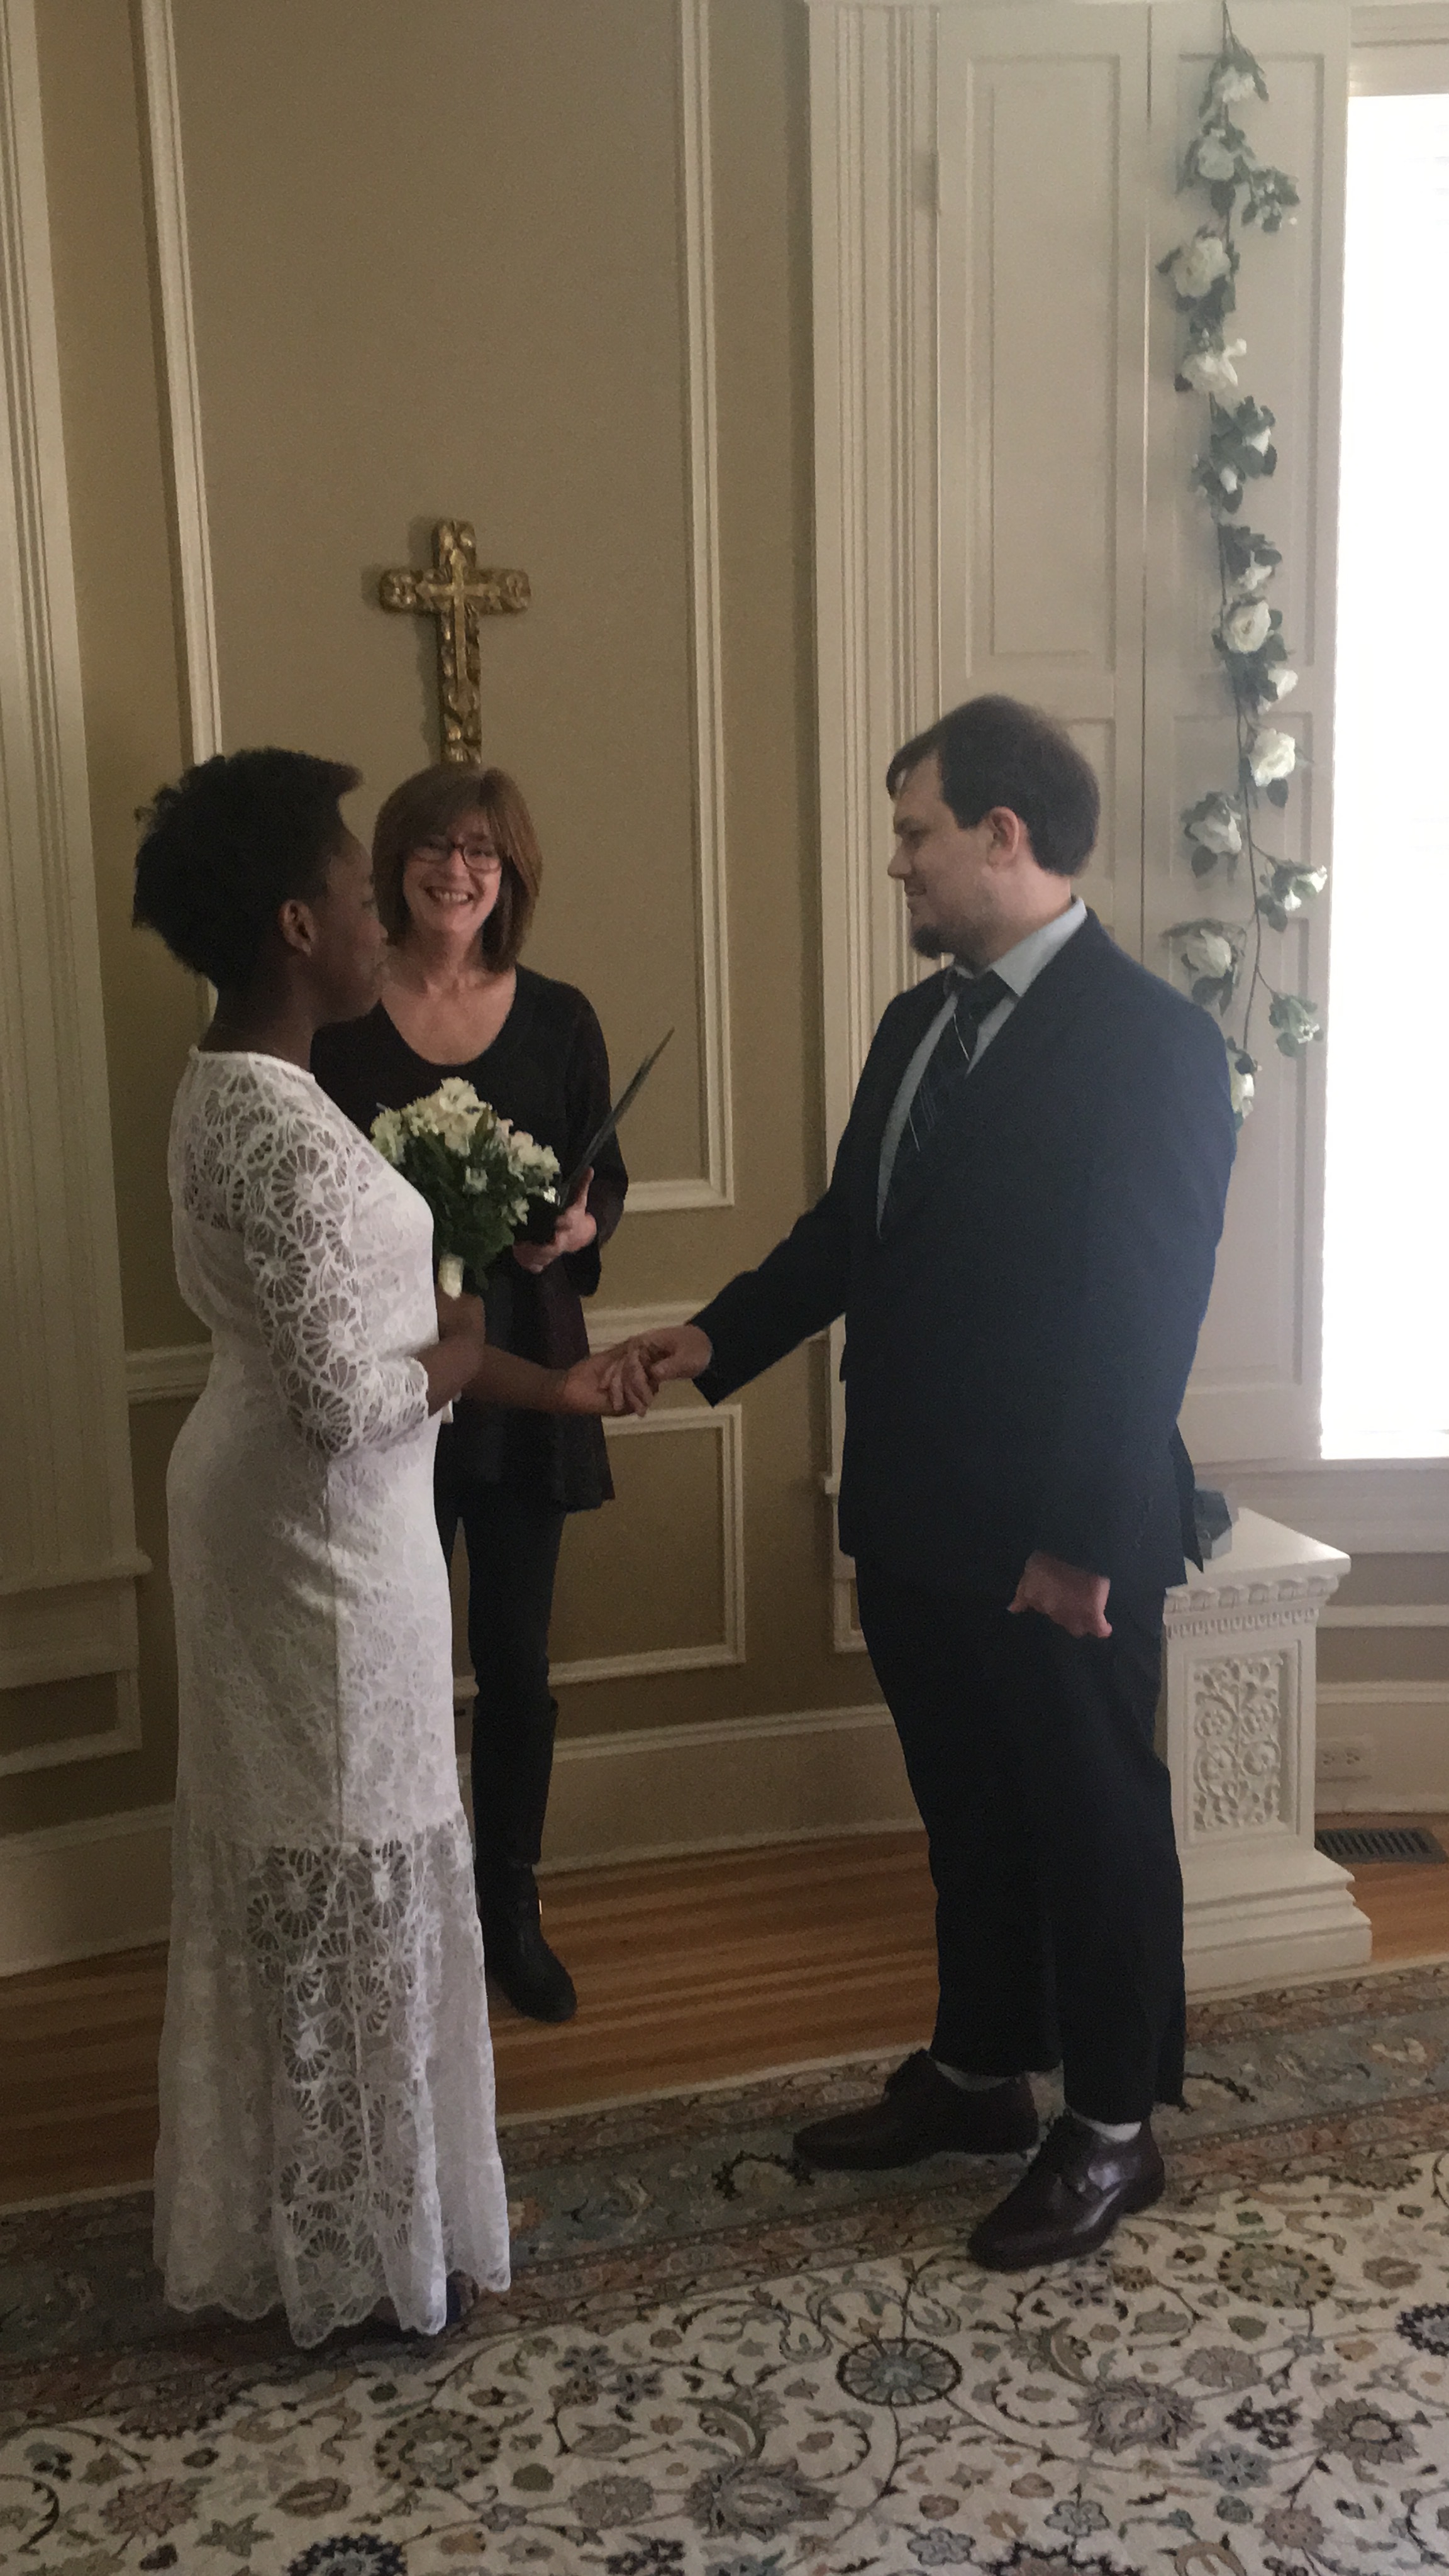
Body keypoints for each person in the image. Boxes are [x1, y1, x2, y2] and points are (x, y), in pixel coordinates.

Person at [609, 696, 1236, 2271]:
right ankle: (979, 2070)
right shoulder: (917, 1026)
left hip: (1056, 1536)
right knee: (969, 1814)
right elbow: (852, 1233)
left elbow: (1143, 1316)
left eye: (915, 833)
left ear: (1002, 835)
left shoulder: (1152, 1041)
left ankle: (1114, 2124)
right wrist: (711, 1337)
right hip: (913, 1511)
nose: (900, 863)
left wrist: (1077, 1544)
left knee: (1093, 1826)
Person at [134, 747, 645, 2346]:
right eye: (361, 888)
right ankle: (357, 2236)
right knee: (347, 1854)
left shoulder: (234, 1083)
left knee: (318, 1859)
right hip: (322, 1544)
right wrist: (468, 1335)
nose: (379, 911)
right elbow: (350, 1398)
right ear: (300, 925)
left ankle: (336, 2199)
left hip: (291, 1515)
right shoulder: (283, 1125)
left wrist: (534, 1373)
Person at [313, 763, 627, 2025]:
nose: (458, 871)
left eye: (483, 853)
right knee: (386, 1661)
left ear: (512, 873)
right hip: (384, 1374)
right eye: (436, 848)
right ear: (396, 862)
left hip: (527, 1368)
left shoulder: (559, 1018)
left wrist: (581, 1227)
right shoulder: (338, 1017)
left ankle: (510, 1909)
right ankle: (400, 1911)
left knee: (514, 1659)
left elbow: (606, 1181)